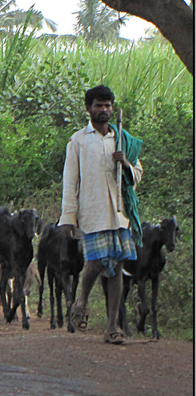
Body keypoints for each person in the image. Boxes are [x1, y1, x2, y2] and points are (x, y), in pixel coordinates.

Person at [59, 85, 143, 344]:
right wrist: (67, 218)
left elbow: (137, 176)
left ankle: (111, 328)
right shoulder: (78, 141)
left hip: (118, 213)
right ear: (88, 109)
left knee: (117, 266)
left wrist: (125, 163)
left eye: (108, 105)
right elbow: (70, 181)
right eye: (99, 105)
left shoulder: (122, 139)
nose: (104, 110)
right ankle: (81, 301)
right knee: (95, 263)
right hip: (92, 212)